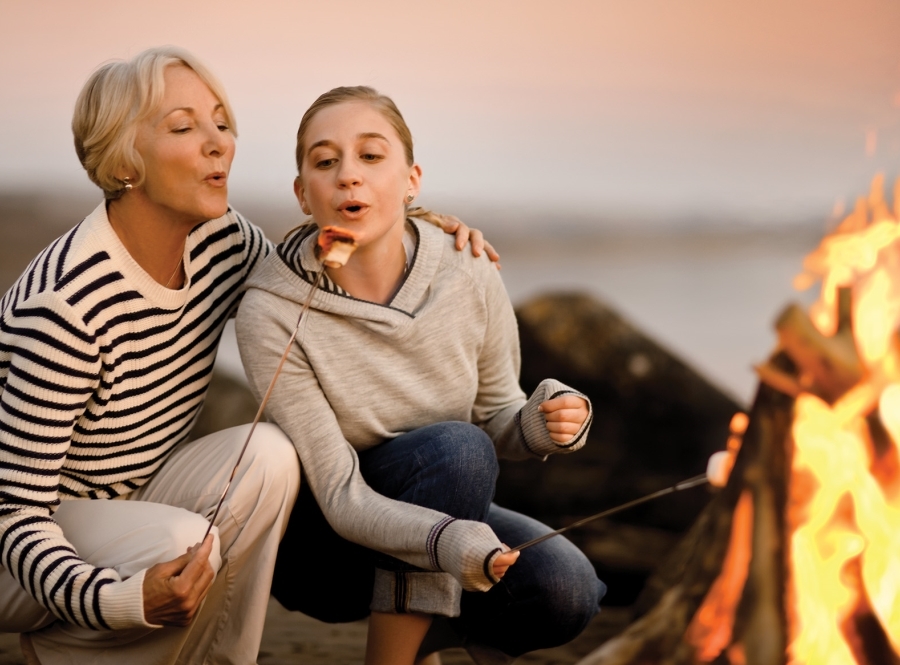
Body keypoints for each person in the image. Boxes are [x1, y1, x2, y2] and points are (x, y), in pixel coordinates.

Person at [0, 49, 496, 665]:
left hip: (129, 501)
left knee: (269, 453)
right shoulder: (65, 305)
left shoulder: (220, 240)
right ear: (124, 159)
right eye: (184, 128)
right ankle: (73, 650)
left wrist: (422, 226)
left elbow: (306, 261)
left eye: (220, 122)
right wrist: (119, 602)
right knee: (184, 542)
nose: (220, 145)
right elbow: (15, 514)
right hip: (22, 544)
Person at [235, 86, 606, 665]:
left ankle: (414, 630)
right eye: (326, 161)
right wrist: (447, 542)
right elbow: (339, 494)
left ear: (411, 180)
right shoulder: (272, 309)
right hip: (326, 547)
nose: (348, 176)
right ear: (303, 194)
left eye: (371, 156)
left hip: (447, 498)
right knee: (458, 449)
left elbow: (497, 416)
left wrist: (544, 420)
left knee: (566, 589)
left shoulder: (469, 269)